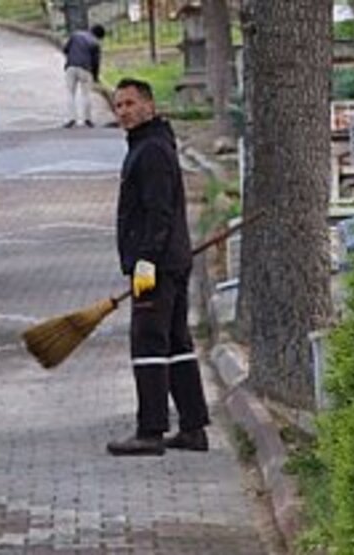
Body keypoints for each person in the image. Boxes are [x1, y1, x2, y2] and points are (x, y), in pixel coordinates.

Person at [107, 79, 210, 456]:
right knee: (177, 341)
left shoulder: (150, 150)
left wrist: (146, 260)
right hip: (173, 260)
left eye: (130, 103)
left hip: (158, 264)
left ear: (149, 106)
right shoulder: (152, 143)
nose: (124, 111)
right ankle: (193, 427)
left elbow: (158, 211)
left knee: (148, 341)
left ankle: (150, 431)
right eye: (118, 106)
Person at [62, 24, 105, 128]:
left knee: (70, 93)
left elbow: (65, 49)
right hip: (86, 69)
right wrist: (95, 77)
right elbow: (96, 62)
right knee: (86, 94)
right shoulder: (95, 43)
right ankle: (87, 119)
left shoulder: (75, 35)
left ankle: (71, 118)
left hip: (71, 67)